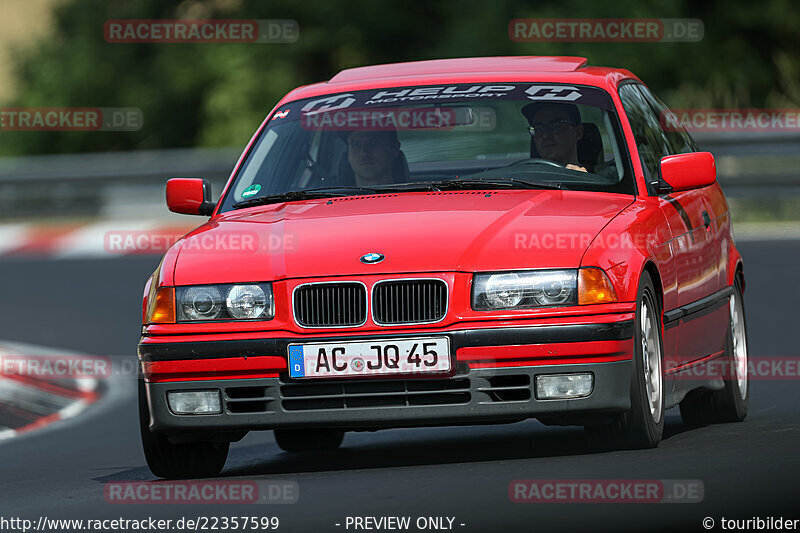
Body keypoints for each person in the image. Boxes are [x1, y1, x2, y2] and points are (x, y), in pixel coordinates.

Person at [522, 102, 587, 172]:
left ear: (578, 132)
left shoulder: (596, 180)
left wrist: (585, 180)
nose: (545, 135)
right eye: (539, 129)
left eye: (556, 126)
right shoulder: (517, 179)